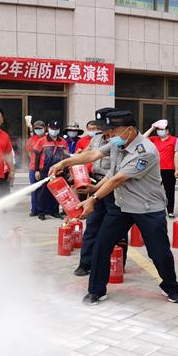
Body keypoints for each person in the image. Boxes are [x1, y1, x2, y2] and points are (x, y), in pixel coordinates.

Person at [50, 111, 178, 305]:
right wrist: (64, 162)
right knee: (101, 245)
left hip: (147, 208)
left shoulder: (145, 151)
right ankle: (96, 291)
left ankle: (171, 287)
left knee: (159, 252)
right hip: (122, 206)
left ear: (129, 130)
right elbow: (94, 154)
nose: (109, 135)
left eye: (113, 130)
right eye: (108, 131)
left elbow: (117, 179)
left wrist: (93, 199)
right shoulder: (117, 142)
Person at [72, 108, 120, 277]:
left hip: (114, 187)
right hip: (96, 183)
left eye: (102, 126)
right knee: (92, 225)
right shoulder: (97, 139)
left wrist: (96, 189)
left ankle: (118, 263)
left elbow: (114, 172)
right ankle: (85, 263)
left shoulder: (119, 142)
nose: (99, 129)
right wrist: (70, 161)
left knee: (116, 227)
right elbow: (87, 154)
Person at [34, 120, 70, 220]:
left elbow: (66, 157)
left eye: (56, 129)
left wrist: (65, 170)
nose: (54, 130)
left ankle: (54, 211)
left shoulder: (63, 142)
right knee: (42, 192)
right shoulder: (42, 141)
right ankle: (41, 212)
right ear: (48, 129)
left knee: (57, 192)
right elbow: (37, 156)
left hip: (58, 170)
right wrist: (37, 170)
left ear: (59, 130)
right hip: (45, 170)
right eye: (52, 128)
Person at [143, 119, 177, 218]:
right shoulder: (155, 139)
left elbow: (177, 154)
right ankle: (154, 209)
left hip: (169, 169)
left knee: (169, 191)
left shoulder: (174, 140)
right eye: (158, 130)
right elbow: (142, 138)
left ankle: (170, 211)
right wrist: (152, 128)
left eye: (162, 129)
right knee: (152, 190)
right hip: (155, 169)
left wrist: (177, 169)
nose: (159, 131)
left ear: (167, 131)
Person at [25, 120, 46, 217]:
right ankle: (34, 209)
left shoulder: (48, 139)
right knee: (34, 189)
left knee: (44, 190)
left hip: (45, 167)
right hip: (34, 168)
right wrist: (34, 162)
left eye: (40, 128)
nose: (38, 130)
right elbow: (29, 153)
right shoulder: (31, 140)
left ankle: (44, 210)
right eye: (36, 128)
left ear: (44, 128)